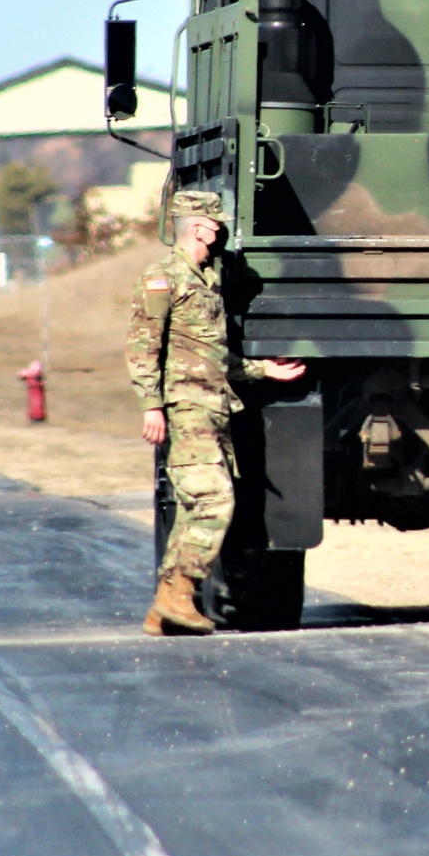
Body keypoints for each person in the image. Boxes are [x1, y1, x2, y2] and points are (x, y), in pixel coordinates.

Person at [126, 189, 305, 637]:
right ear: (202, 228)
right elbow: (142, 346)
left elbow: (213, 355)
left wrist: (263, 370)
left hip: (214, 406)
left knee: (193, 508)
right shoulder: (163, 278)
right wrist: (152, 405)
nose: (221, 230)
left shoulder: (207, 279)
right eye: (217, 224)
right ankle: (177, 593)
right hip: (186, 407)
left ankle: (165, 608)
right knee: (214, 501)